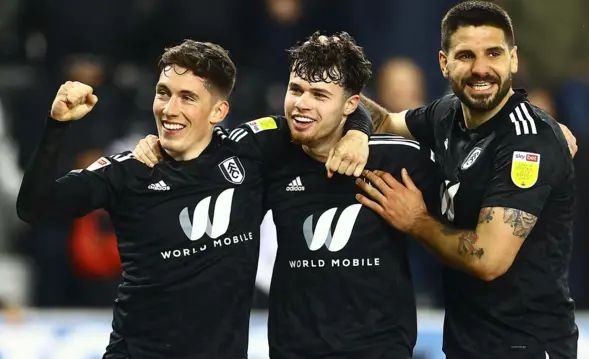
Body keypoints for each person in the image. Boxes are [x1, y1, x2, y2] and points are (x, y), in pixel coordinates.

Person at [16, 39, 369, 359]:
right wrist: (56, 124)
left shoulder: (252, 149)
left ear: (218, 112)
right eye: (163, 92)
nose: (169, 108)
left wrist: (357, 134)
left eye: (187, 97)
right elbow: (34, 208)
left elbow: (334, 109)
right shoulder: (129, 171)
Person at [135, 31, 440, 359]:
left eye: (319, 95)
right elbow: (204, 144)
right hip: (291, 349)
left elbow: (468, 234)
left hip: (379, 350)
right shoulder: (269, 147)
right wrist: (161, 145)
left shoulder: (402, 159)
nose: (302, 103)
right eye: (296, 89)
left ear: (351, 104)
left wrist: (420, 222)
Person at [355, 2, 579, 358]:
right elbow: (385, 122)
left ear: (514, 60)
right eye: (466, 55)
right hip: (466, 340)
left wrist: (416, 221)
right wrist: (339, 92)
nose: (481, 69)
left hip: (527, 345)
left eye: (494, 53)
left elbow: (488, 259)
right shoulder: (447, 115)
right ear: (444, 63)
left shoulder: (528, 140)